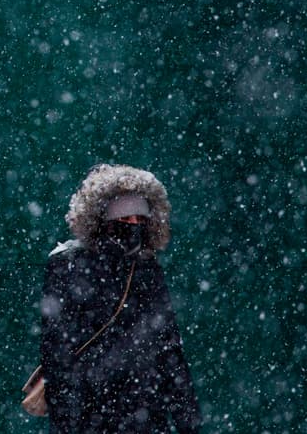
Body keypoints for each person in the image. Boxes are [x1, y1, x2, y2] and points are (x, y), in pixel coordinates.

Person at [39, 164, 201, 433]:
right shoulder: (68, 265)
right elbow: (57, 354)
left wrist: (188, 419)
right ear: (102, 219)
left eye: (140, 219)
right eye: (125, 219)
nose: (133, 226)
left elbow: (169, 348)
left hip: (144, 412)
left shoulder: (147, 269)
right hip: (93, 414)